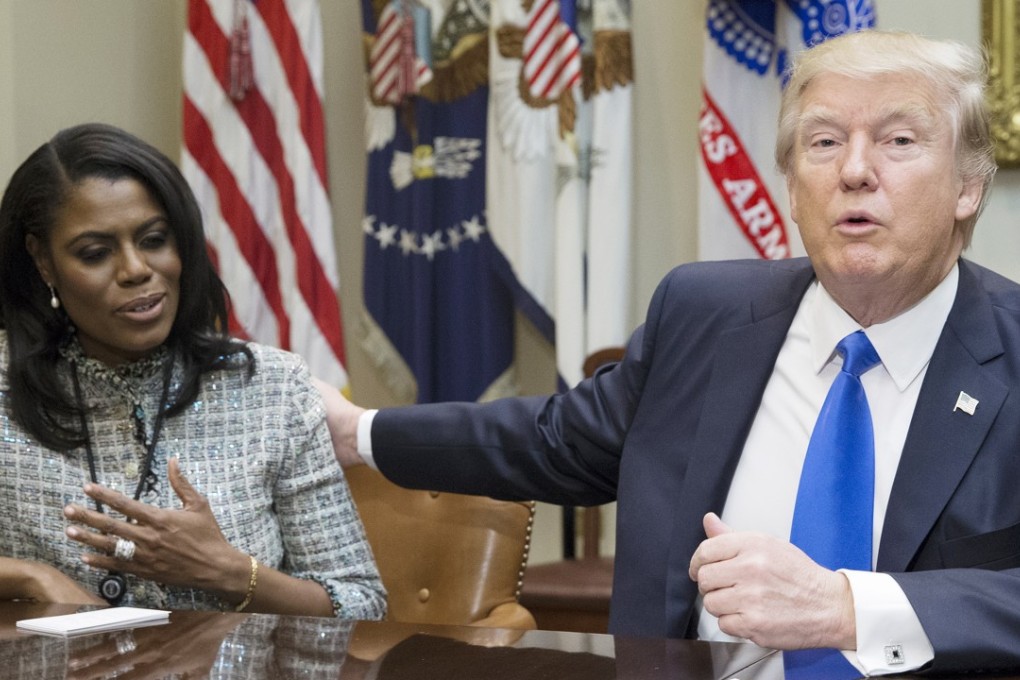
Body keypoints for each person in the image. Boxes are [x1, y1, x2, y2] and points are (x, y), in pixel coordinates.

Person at [319, 29, 1020, 675]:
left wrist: (848, 608)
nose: (856, 171)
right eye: (824, 142)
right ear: (793, 189)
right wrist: (360, 434)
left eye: (899, 141)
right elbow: (555, 441)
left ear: (968, 187)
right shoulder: (704, 315)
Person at [0, 123, 386, 620]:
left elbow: (363, 604)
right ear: (43, 261)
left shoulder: (273, 387)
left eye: (155, 240)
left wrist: (227, 573)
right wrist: (31, 575)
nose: (136, 269)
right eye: (95, 253)